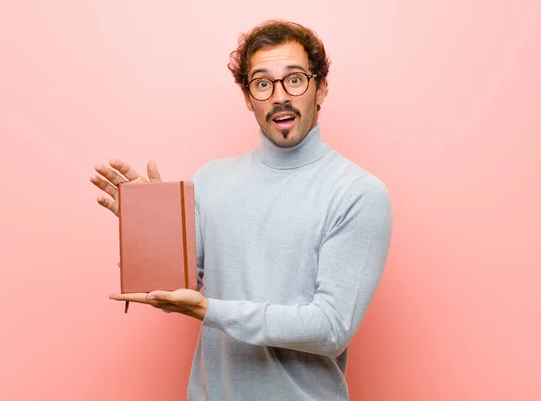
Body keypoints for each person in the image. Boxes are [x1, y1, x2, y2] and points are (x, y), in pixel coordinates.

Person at [90, 20, 392, 401]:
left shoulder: (357, 193)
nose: (280, 96)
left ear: (321, 88)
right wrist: (149, 230)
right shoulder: (213, 179)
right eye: (263, 83)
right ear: (249, 98)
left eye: (295, 79)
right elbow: (173, 294)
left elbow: (331, 329)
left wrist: (210, 310)